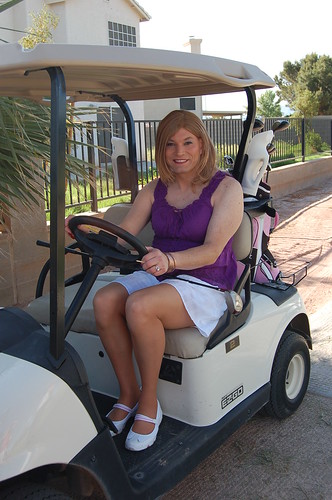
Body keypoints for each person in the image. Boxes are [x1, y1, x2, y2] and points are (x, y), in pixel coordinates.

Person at [66, 110, 243, 452]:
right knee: (104, 300)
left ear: (202, 145)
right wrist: (84, 226)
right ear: (161, 149)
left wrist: (170, 259)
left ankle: (150, 403)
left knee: (140, 305)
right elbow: (122, 237)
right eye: (170, 144)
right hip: (160, 274)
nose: (180, 151)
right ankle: (128, 392)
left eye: (188, 142)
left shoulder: (227, 188)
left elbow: (211, 250)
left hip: (203, 281)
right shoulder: (155, 189)